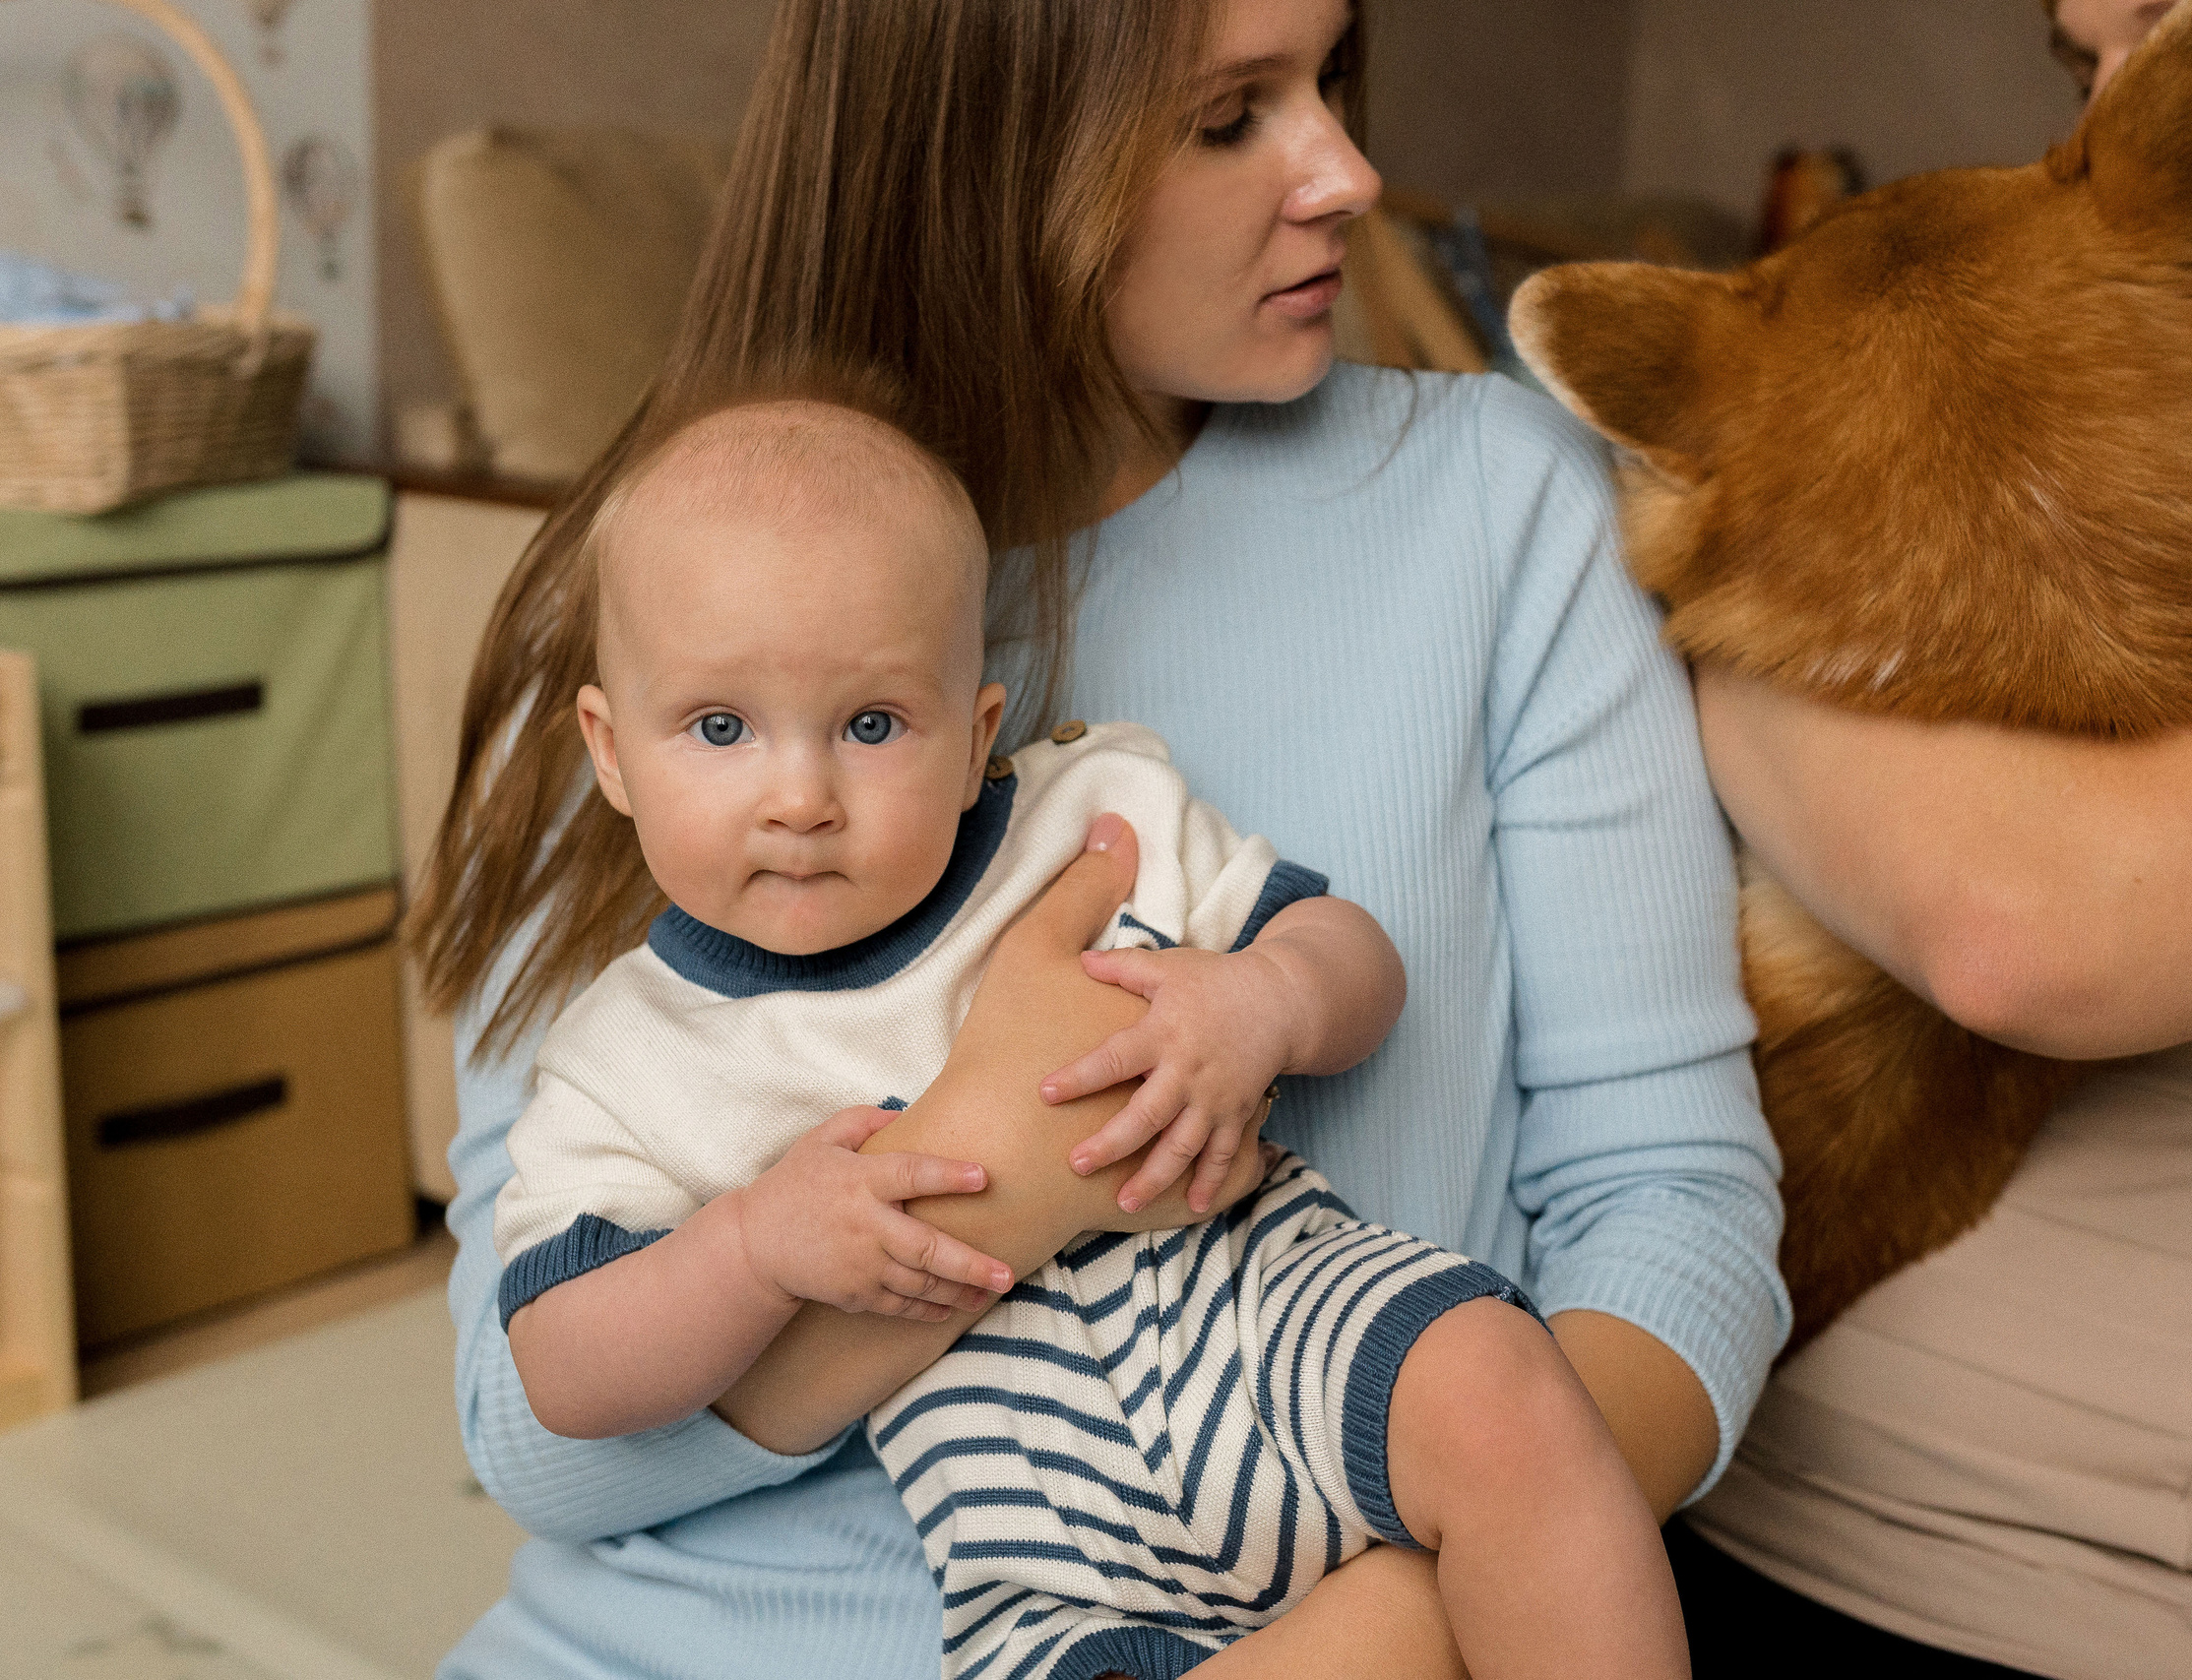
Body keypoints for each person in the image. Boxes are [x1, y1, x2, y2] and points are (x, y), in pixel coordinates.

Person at [409, 0, 1789, 1674]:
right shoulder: (673, 608)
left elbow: (1671, 1213)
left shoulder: (1495, 511)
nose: (1347, 172)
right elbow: (531, 1431)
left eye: (1329, 79)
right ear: (979, 148)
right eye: (1229, 118)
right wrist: (999, 1162)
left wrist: (1418, 1611)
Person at [489, 393, 1688, 1680]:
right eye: (720, 728)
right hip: (1016, 1496)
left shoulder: (1092, 824)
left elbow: (1359, 964)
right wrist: (745, 1253)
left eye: (872, 725)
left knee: (1508, 1397)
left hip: (1268, 1310)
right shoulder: (628, 1055)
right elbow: (561, 1372)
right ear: (611, 753)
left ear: (974, 737)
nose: (800, 800)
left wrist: (1267, 1000)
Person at [1666, 1, 2192, 1676]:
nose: (2119, 102)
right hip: (1713, 1506)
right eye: (2093, 58)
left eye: (2182, 24)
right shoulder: (2109, 464)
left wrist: (1687, 584)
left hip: (2095, 1618)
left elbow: (2040, 930)